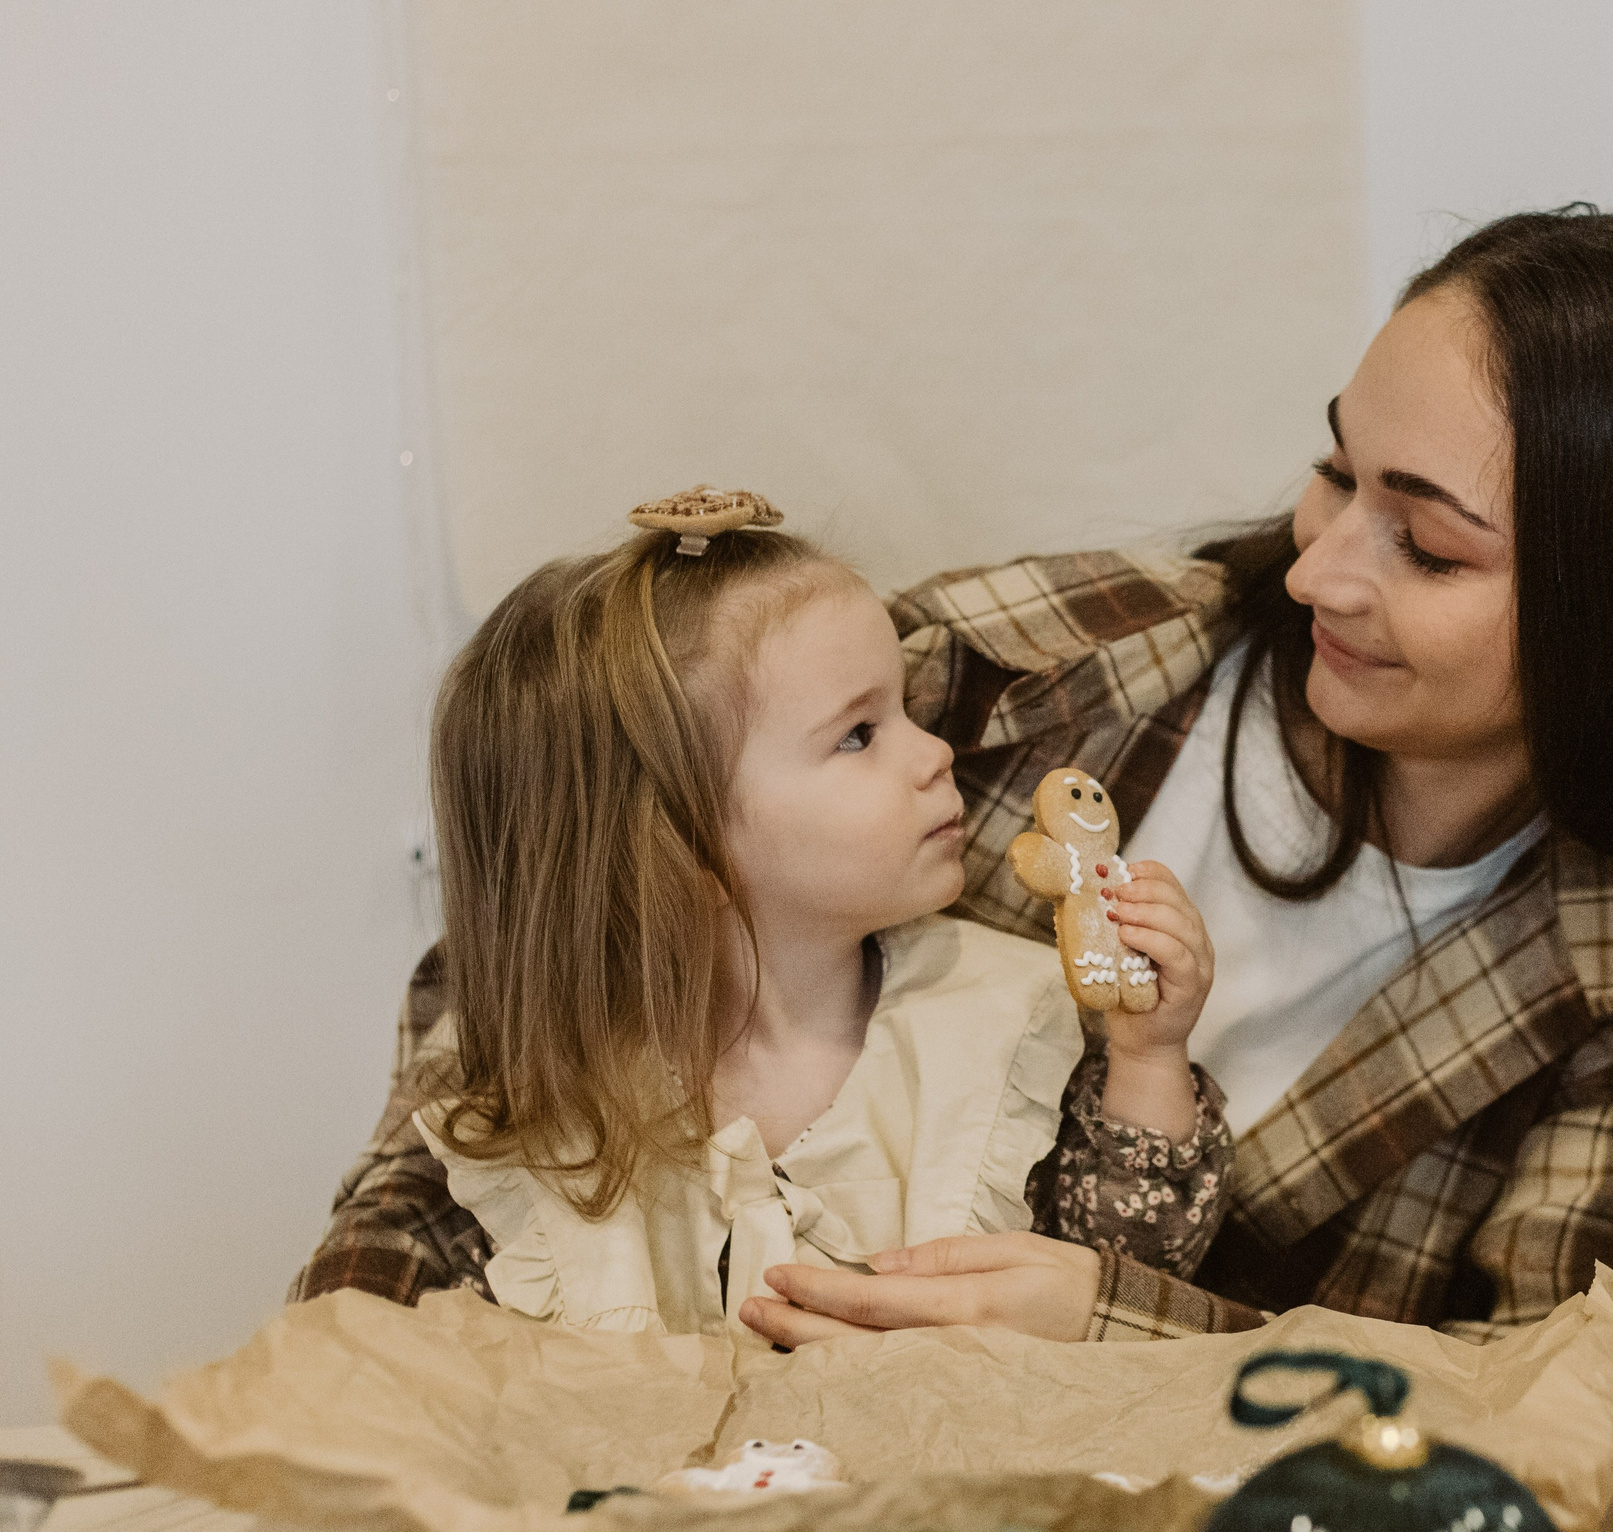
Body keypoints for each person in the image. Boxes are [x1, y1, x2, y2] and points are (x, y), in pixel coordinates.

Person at [302, 206, 1613, 1357]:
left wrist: (1116, 1318)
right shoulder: (1022, 666)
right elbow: (553, 920)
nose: (1318, 561)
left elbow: (1545, 1401)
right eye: (1339, 465)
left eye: (1427, 540)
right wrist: (366, 1354)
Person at [287, 490, 1227, 1334]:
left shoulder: (1006, 1018)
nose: (936, 752)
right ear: (676, 847)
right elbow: (370, 1315)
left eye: (904, 709)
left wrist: (1148, 1056)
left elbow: (1125, 1285)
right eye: (859, 735)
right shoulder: (545, 1090)